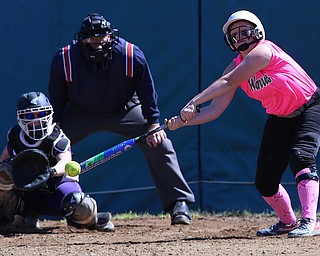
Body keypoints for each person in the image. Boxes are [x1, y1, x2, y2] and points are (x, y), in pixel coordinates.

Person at [165, 10, 320, 238]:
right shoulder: (234, 66)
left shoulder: (264, 51)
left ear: (257, 32)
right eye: (235, 35)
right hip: (279, 118)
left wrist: (193, 101)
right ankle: (288, 222)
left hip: (309, 107)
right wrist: (183, 123)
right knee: (264, 182)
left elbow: (228, 82)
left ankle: (310, 221)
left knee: (301, 156)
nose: (240, 37)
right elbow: (215, 110)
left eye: (245, 31)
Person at [48, 13, 195, 225]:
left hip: (124, 110)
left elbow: (147, 91)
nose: (97, 44)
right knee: (48, 148)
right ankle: (38, 209)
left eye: (102, 39)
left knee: (160, 143)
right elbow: (57, 95)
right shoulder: (64, 58)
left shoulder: (130, 54)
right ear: (81, 40)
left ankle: (179, 203)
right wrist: (56, 128)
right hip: (80, 113)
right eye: (91, 39)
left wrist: (153, 123)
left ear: (111, 37)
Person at [0, 91, 114, 232]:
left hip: (56, 191)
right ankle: (15, 218)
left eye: (41, 115)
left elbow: (65, 161)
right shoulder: (16, 136)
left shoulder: (56, 136)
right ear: (20, 118)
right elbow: (3, 161)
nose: (36, 121)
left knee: (80, 204)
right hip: (27, 194)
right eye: (30, 116)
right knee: (3, 173)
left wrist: (50, 172)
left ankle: (89, 221)